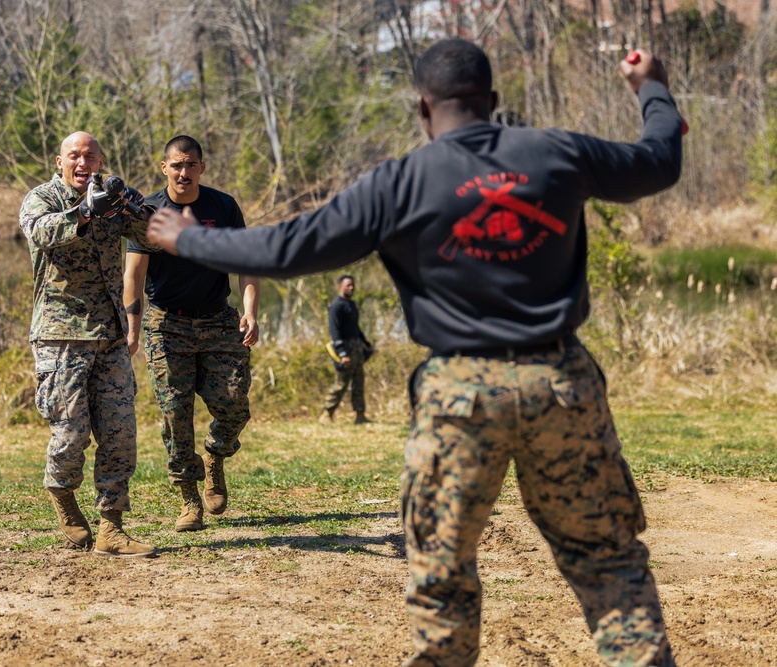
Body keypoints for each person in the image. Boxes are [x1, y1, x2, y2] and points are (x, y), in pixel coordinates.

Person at [146, 39, 682, 666]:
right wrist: (652, 86)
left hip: (459, 398)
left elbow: (286, 249)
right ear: (495, 102)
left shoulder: (400, 182)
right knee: (611, 569)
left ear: (423, 108)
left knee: (442, 587)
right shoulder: (557, 152)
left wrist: (189, 239)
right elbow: (660, 159)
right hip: (561, 383)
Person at [19, 131, 157, 558]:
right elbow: (42, 233)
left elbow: (153, 237)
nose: (83, 163)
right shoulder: (41, 199)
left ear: (100, 161)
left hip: (110, 334)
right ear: (59, 161)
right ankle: (62, 495)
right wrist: (83, 213)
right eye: (74, 156)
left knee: (120, 433)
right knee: (71, 433)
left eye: (91, 156)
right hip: (61, 337)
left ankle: (112, 527)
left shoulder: (110, 197)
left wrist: (134, 205)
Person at [123, 135, 259, 533]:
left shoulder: (223, 206)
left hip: (218, 319)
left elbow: (246, 261)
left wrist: (250, 311)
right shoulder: (149, 210)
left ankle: (216, 454)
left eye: (191, 165)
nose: (184, 172)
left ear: (202, 167)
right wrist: (133, 326)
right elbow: (133, 274)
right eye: (177, 165)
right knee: (174, 416)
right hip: (167, 324)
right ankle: (188, 499)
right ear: (164, 167)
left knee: (234, 404)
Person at [321, 274, 374, 424]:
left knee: (359, 381)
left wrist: (366, 343)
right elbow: (334, 330)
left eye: (353, 285)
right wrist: (342, 353)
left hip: (356, 346)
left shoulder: (352, 305)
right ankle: (326, 414)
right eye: (348, 285)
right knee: (341, 382)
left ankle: (360, 415)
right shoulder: (337, 306)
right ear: (340, 287)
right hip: (343, 347)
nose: (351, 288)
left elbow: (355, 328)